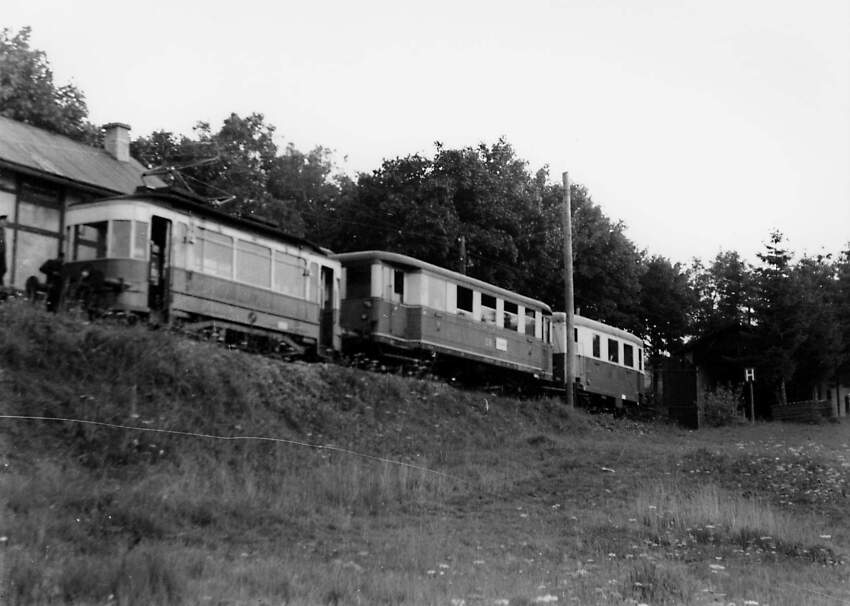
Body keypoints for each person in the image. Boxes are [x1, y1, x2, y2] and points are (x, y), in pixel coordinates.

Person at [0, 214, 7, 287]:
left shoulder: (3, 230)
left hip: (2, 253)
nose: (5, 223)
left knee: (4, 269)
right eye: (4, 221)